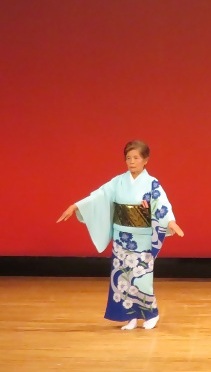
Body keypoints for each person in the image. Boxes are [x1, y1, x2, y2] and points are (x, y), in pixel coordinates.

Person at [56, 140, 184, 330]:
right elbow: (98, 195)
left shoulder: (152, 183)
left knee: (142, 277)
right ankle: (130, 317)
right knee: (123, 278)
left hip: (142, 237)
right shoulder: (118, 182)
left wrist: (170, 222)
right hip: (122, 237)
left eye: (136, 158)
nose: (131, 162)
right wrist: (76, 205)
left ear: (145, 160)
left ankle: (152, 313)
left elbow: (162, 205)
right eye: (128, 158)